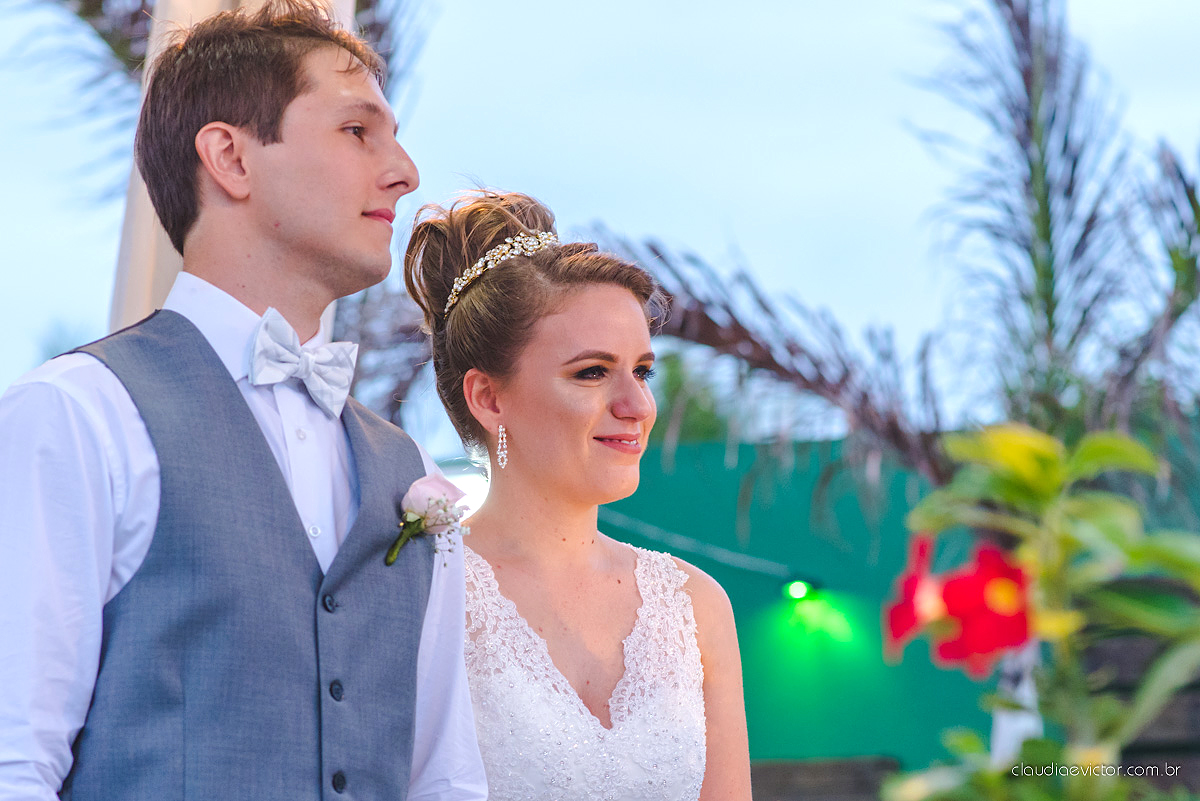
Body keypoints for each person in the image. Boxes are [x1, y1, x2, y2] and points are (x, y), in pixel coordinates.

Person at [0, 3, 486, 799]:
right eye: (358, 131)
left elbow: (445, 779)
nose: (405, 170)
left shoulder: (412, 471)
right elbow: (14, 763)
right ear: (230, 157)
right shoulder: (76, 416)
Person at [403, 190, 753, 800]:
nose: (636, 406)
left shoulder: (695, 607)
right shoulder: (423, 592)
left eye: (642, 371)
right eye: (592, 372)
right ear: (489, 398)